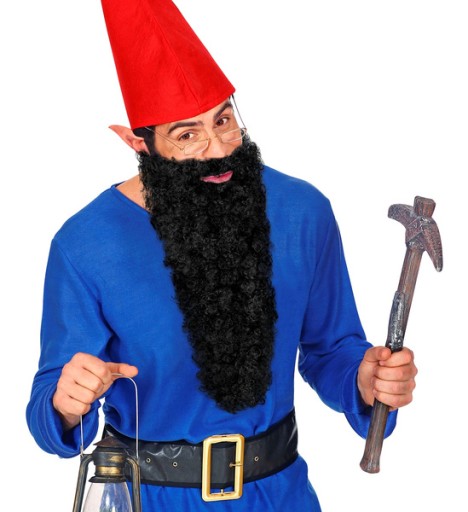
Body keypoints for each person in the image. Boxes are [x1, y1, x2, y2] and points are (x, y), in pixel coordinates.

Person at [26, 1, 418, 510]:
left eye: (224, 120)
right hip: (149, 499)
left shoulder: (303, 212)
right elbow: (50, 405)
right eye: (187, 135)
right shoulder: (85, 244)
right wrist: (66, 404)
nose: (217, 150)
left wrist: (364, 379)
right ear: (137, 142)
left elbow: (331, 349)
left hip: (279, 495)